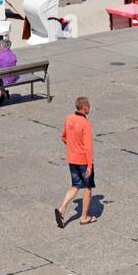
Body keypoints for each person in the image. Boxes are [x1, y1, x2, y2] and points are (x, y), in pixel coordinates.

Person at [56, 96, 95, 227]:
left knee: (75, 185)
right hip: (83, 159)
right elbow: (88, 147)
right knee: (88, 188)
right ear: (84, 107)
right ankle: (84, 217)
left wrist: (72, 147)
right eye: (88, 105)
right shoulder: (85, 123)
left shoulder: (69, 119)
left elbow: (63, 136)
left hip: (71, 158)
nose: (89, 107)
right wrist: (90, 164)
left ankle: (62, 208)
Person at [0, 37, 18, 102]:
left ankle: (4, 92)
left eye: (0, 45)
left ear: (3, 46)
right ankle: (3, 94)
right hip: (13, 78)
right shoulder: (13, 54)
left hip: (5, 79)